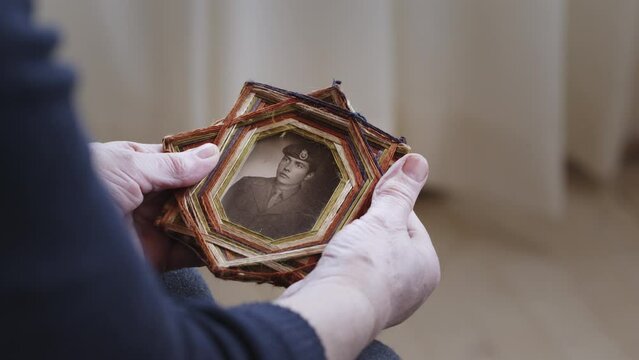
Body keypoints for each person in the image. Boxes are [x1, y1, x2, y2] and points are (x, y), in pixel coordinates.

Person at [0, 1, 440, 359]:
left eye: (301, 164)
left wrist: (74, 187)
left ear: (310, 175)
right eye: (287, 157)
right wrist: (360, 293)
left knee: (170, 280)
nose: (289, 165)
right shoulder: (245, 188)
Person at [222, 141, 328, 239]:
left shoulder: (305, 213)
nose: (287, 168)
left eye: (299, 165)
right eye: (286, 159)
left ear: (308, 176)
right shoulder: (247, 184)